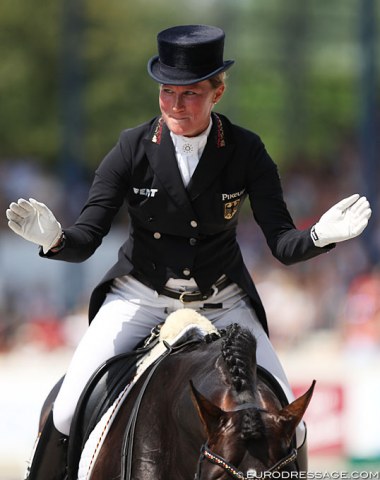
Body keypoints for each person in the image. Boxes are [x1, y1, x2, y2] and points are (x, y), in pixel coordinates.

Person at [6, 24, 371, 478]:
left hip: (223, 303)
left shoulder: (245, 150)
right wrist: (55, 239)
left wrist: (319, 236)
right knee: (65, 408)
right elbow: (88, 235)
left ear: (218, 92)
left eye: (191, 94)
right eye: (168, 92)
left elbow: (282, 242)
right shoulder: (132, 148)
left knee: (288, 425)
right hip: (140, 297)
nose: (177, 105)